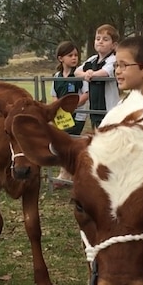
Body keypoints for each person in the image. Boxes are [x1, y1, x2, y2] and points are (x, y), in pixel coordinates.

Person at [50, 41, 90, 188]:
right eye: (70, 55)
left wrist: (73, 106)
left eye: (76, 55)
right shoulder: (57, 76)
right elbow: (54, 95)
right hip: (62, 116)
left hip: (77, 115)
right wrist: (58, 108)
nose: (74, 58)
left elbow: (86, 94)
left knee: (68, 141)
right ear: (61, 58)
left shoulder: (80, 75)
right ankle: (69, 174)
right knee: (64, 142)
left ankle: (64, 175)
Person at [75, 24, 120, 130]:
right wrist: (86, 74)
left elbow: (105, 72)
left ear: (114, 45)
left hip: (109, 108)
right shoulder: (92, 59)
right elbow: (77, 71)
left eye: (105, 39)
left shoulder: (113, 59)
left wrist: (91, 74)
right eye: (98, 38)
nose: (100, 41)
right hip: (94, 108)